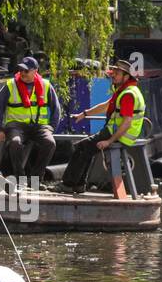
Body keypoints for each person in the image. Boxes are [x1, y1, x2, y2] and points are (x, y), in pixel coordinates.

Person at [58, 59, 146, 194]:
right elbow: (105, 105)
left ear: (126, 77)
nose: (113, 75)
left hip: (118, 135)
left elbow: (127, 122)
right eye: (114, 72)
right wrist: (84, 114)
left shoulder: (128, 94)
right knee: (86, 148)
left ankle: (68, 184)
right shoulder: (126, 90)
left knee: (81, 147)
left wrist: (109, 141)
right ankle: (79, 185)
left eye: (117, 73)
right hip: (115, 132)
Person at [0, 56, 61, 177]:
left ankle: (36, 179)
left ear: (35, 71)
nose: (22, 73)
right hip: (16, 126)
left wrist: (51, 127)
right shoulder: (11, 85)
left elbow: (56, 108)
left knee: (50, 143)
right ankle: (20, 177)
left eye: (26, 71)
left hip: (39, 126)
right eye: (21, 70)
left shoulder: (46, 85)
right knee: (15, 143)